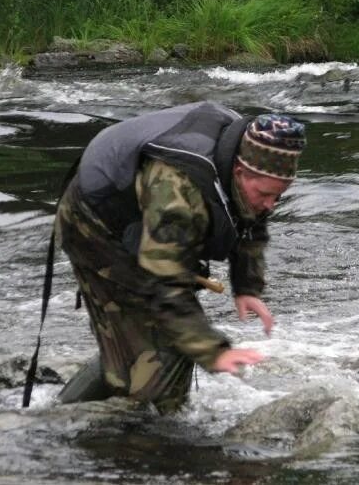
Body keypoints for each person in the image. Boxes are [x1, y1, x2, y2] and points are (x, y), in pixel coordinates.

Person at [53, 102, 306, 413]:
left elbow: (250, 219)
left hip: (146, 223)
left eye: (278, 196)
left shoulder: (247, 167)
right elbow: (163, 283)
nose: (271, 205)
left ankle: (158, 416)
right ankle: (64, 419)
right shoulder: (178, 186)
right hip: (95, 226)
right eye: (266, 194)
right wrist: (215, 353)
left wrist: (247, 287)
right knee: (153, 357)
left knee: (169, 341)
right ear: (240, 171)